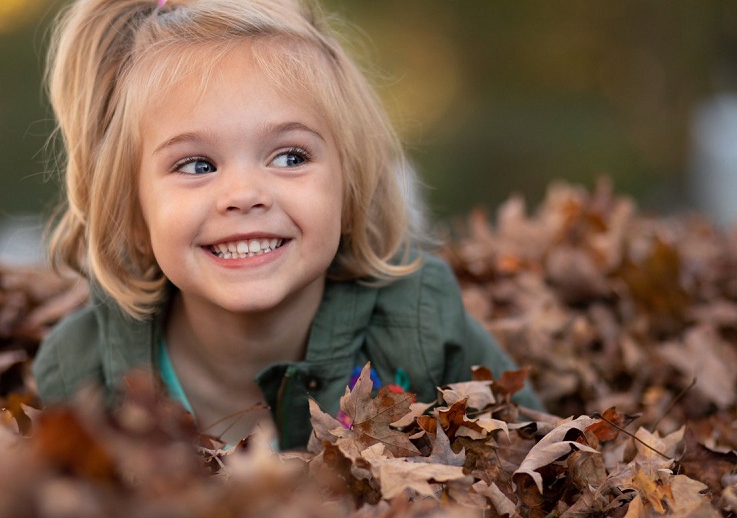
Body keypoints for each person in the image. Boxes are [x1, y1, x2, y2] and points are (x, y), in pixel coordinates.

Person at [33, 0, 542, 449]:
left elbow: (543, 456)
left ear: (350, 186)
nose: (244, 195)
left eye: (290, 156)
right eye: (197, 166)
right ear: (133, 212)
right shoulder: (85, 372)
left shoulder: (423, 330)